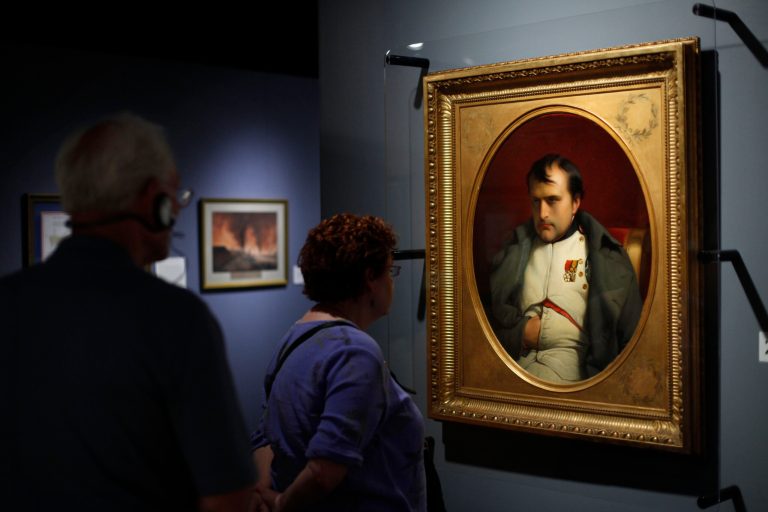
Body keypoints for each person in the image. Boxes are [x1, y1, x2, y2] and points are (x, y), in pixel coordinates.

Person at [0, 113, 255, 511]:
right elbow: (228, 496)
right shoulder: (177, 319)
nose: (177, 207)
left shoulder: (8, 300)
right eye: (175, 195)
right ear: (154, 200)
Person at [249, 213, 426, 512]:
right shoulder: (355, 353)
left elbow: (266, 438)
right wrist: (281, 504)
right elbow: (325, 469)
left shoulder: (294, 337)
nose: (391, 283)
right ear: (370, 278)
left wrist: (264, 493)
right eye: (389, 271)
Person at [489, 154, 642, 383]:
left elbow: (633, 344)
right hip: (514, 374)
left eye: (552, 200)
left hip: (575, 386)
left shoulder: (607, 258)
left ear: (575, 202)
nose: (542, 214)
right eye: (536, 201)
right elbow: (486, 329)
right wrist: (521, 334)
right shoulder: (512, 251)